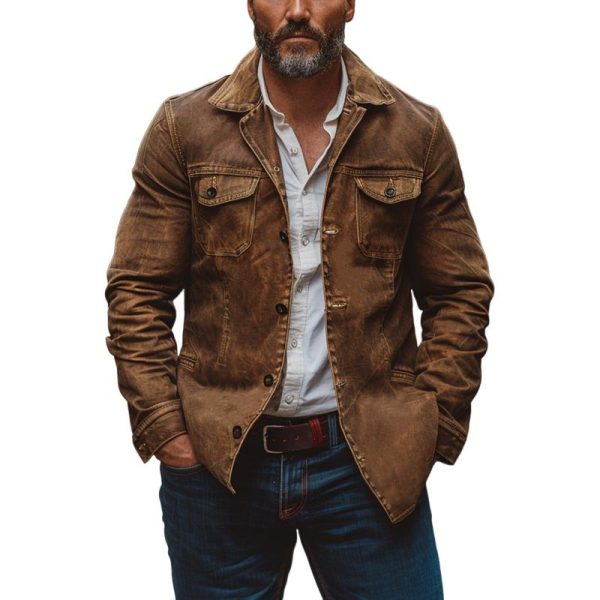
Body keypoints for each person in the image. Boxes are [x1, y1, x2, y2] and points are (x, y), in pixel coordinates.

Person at [104, 1, 494, 597]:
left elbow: (460, 290)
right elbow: (137, 289)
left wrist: (432, 424)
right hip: (218, 461)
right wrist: (168, 433)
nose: (297, 11)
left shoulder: (416, 133)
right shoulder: (185, 128)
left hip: (370, 462)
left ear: (351, 4)